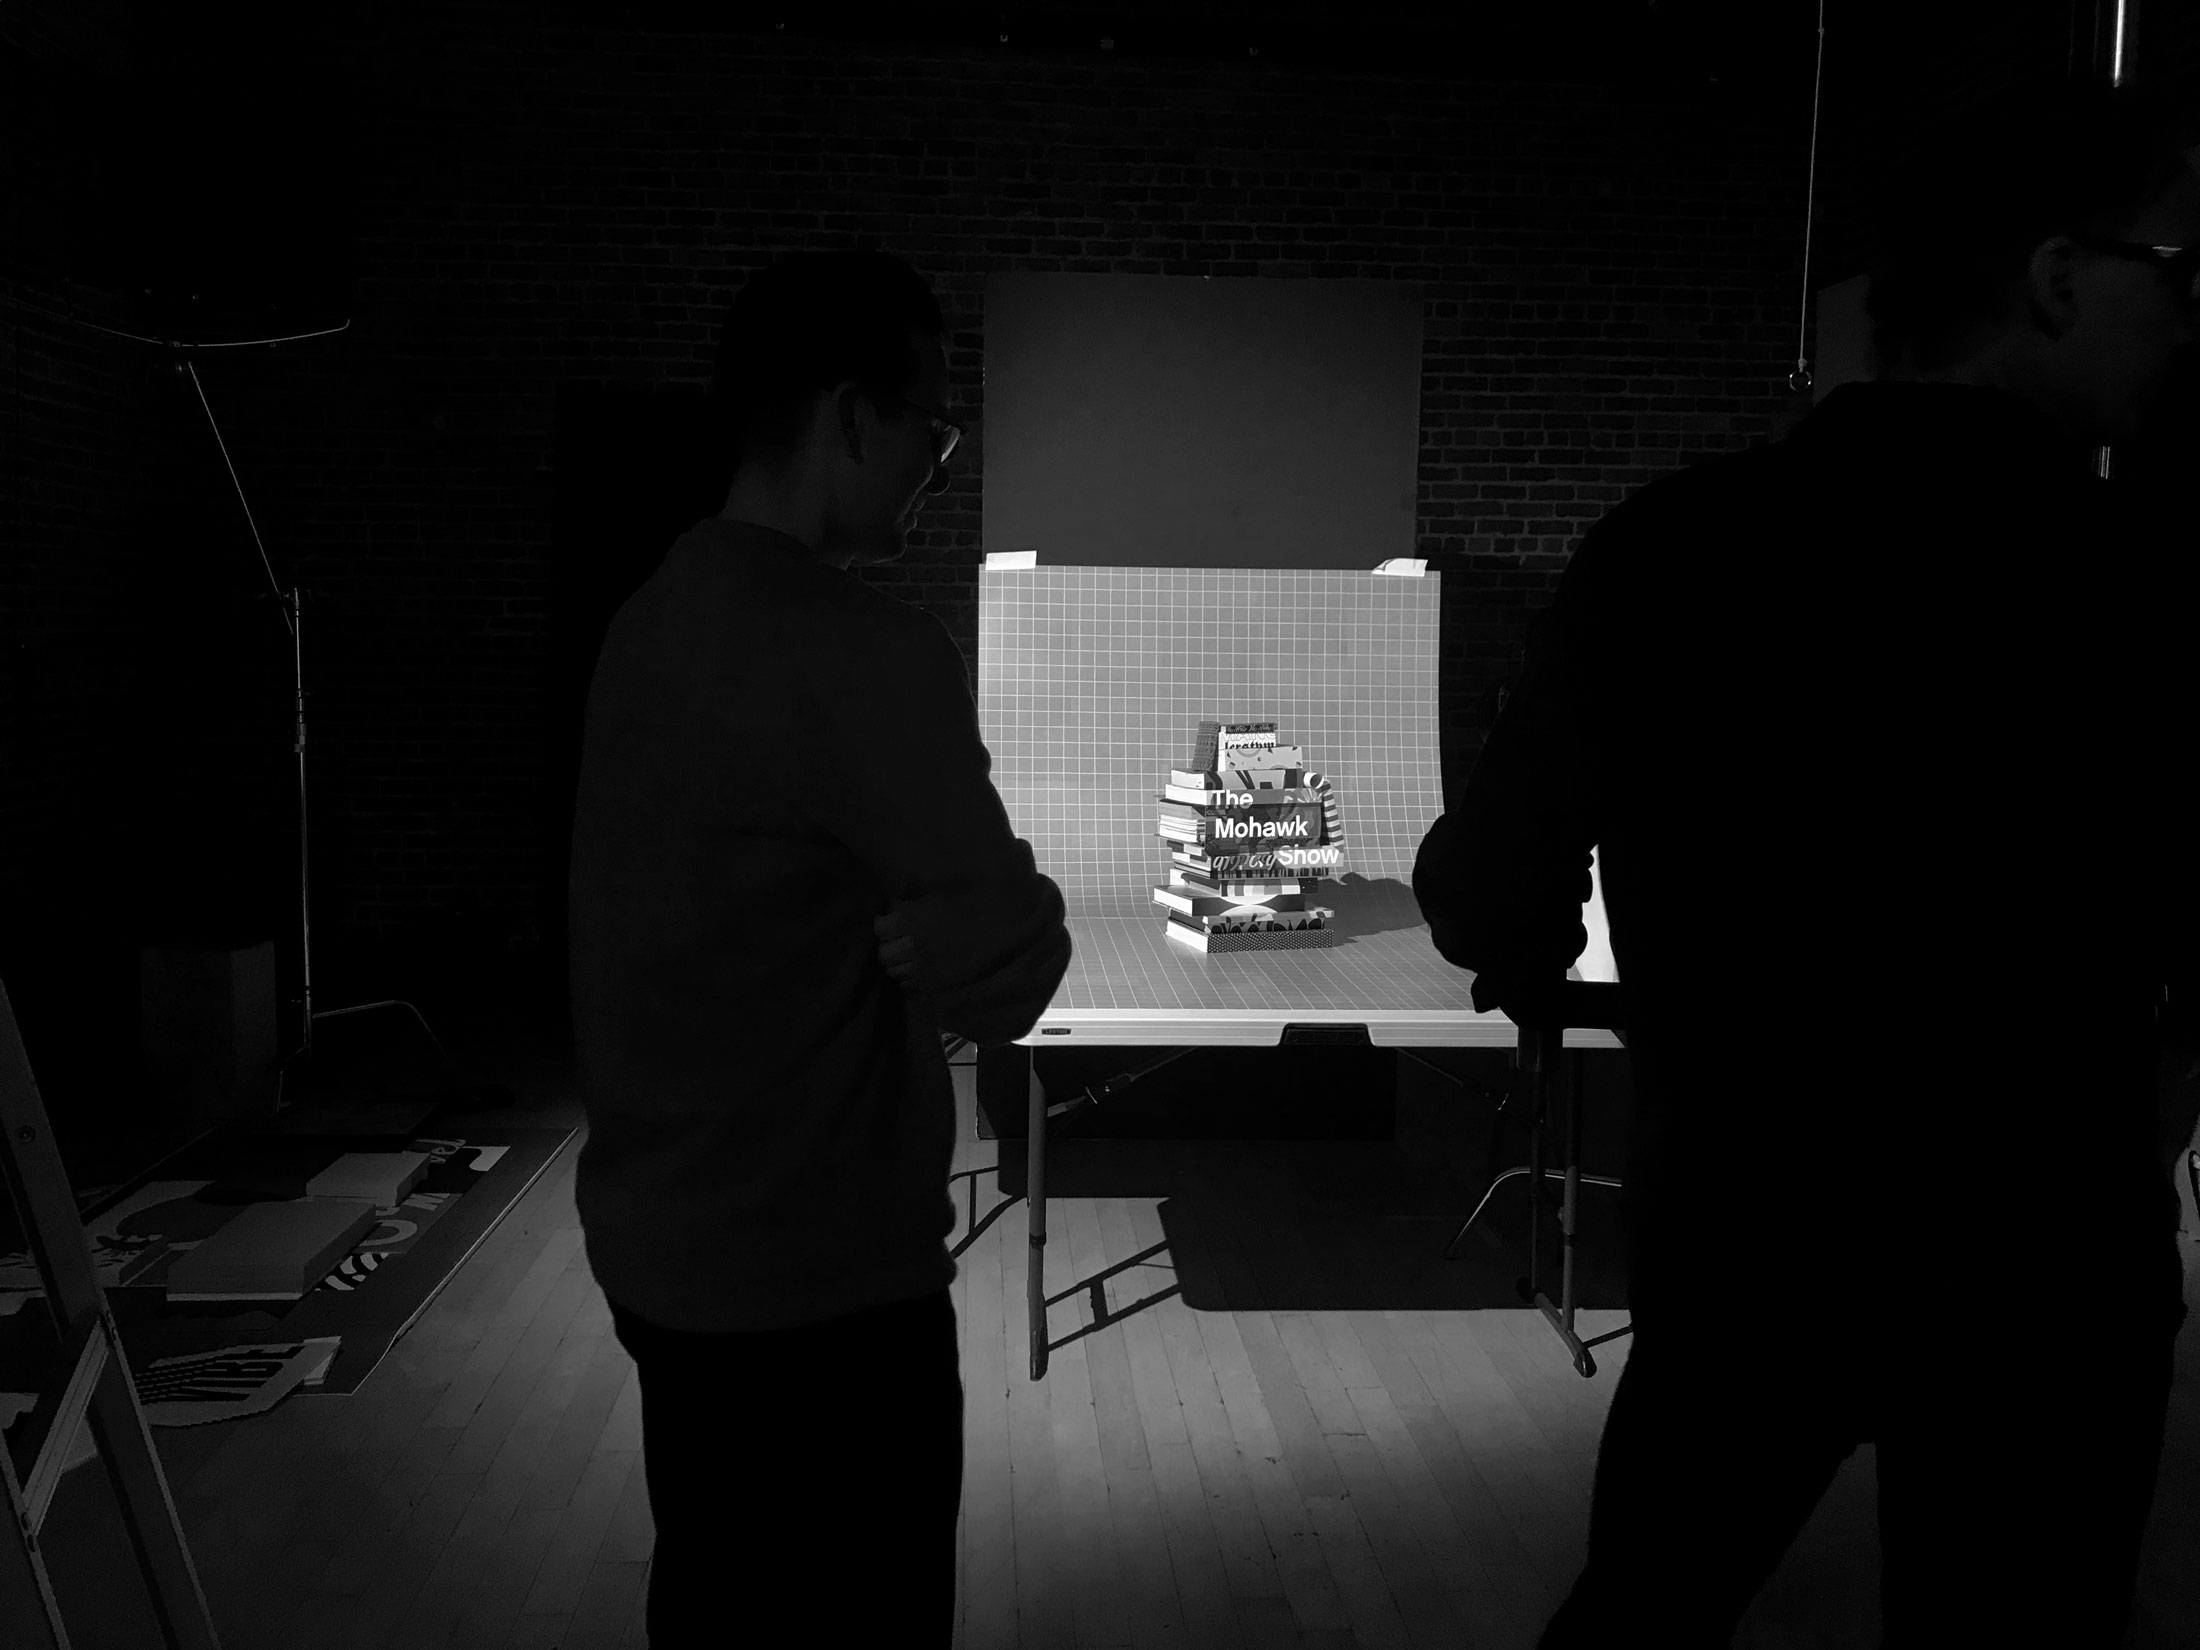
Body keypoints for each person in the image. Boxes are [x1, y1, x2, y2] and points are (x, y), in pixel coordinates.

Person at [1411, 71, 2200, 1647]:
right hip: (2050, 1268)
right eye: (2179, 271)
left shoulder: (1669, 549)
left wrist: (1559, 967)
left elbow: (1485, 887)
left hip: (1747, 1238)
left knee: (1646, 1609)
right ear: (2056, 277)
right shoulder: (2153, 590)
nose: (2190, 317)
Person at [566, 250, 1068, 1649]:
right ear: (853, 416)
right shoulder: (866, 649)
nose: (938, 468)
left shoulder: (647, 620)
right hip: (827, 1293)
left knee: (714, 1598)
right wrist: (962, 927)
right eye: (934, 430)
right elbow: (1012, 962)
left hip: (665, 1260)